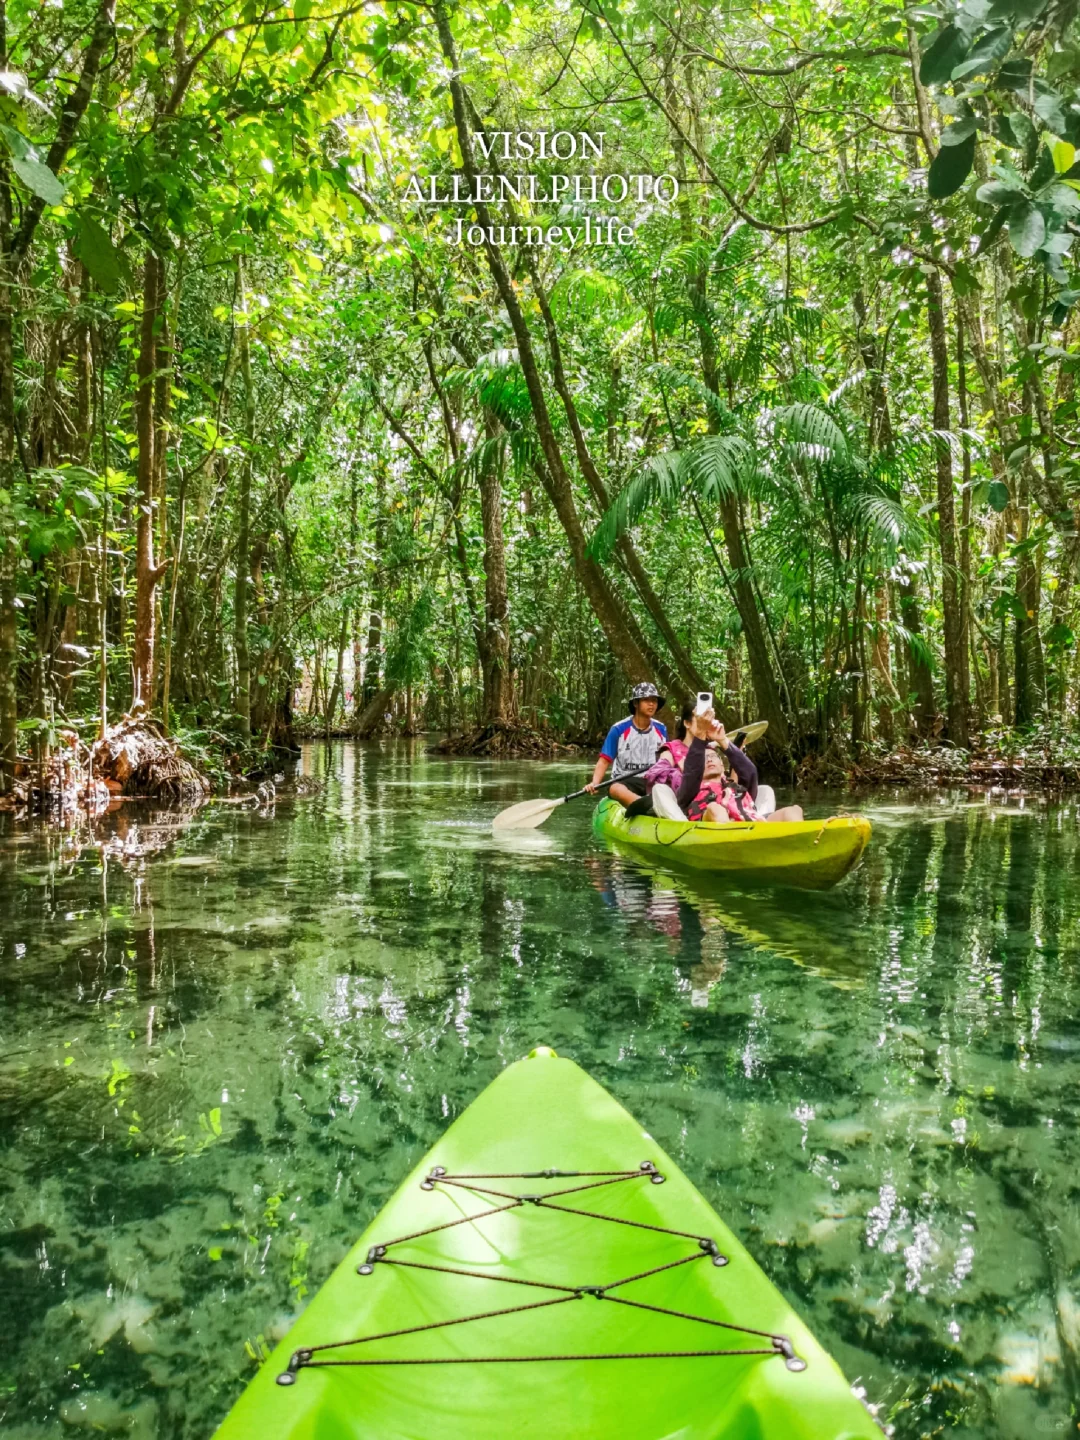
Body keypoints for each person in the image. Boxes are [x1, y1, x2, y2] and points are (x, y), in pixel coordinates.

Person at [585, 682, 668, 807]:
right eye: (646, 700)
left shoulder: (661, 729)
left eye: (654, 700)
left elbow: (666, 759)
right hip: (624, 780)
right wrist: (595, 782)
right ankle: (643, 805)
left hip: (652, 780)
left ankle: (652, 805)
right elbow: (604, 761)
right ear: (636, 704)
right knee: (615, 788)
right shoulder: (618, 729)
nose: (651, 704)